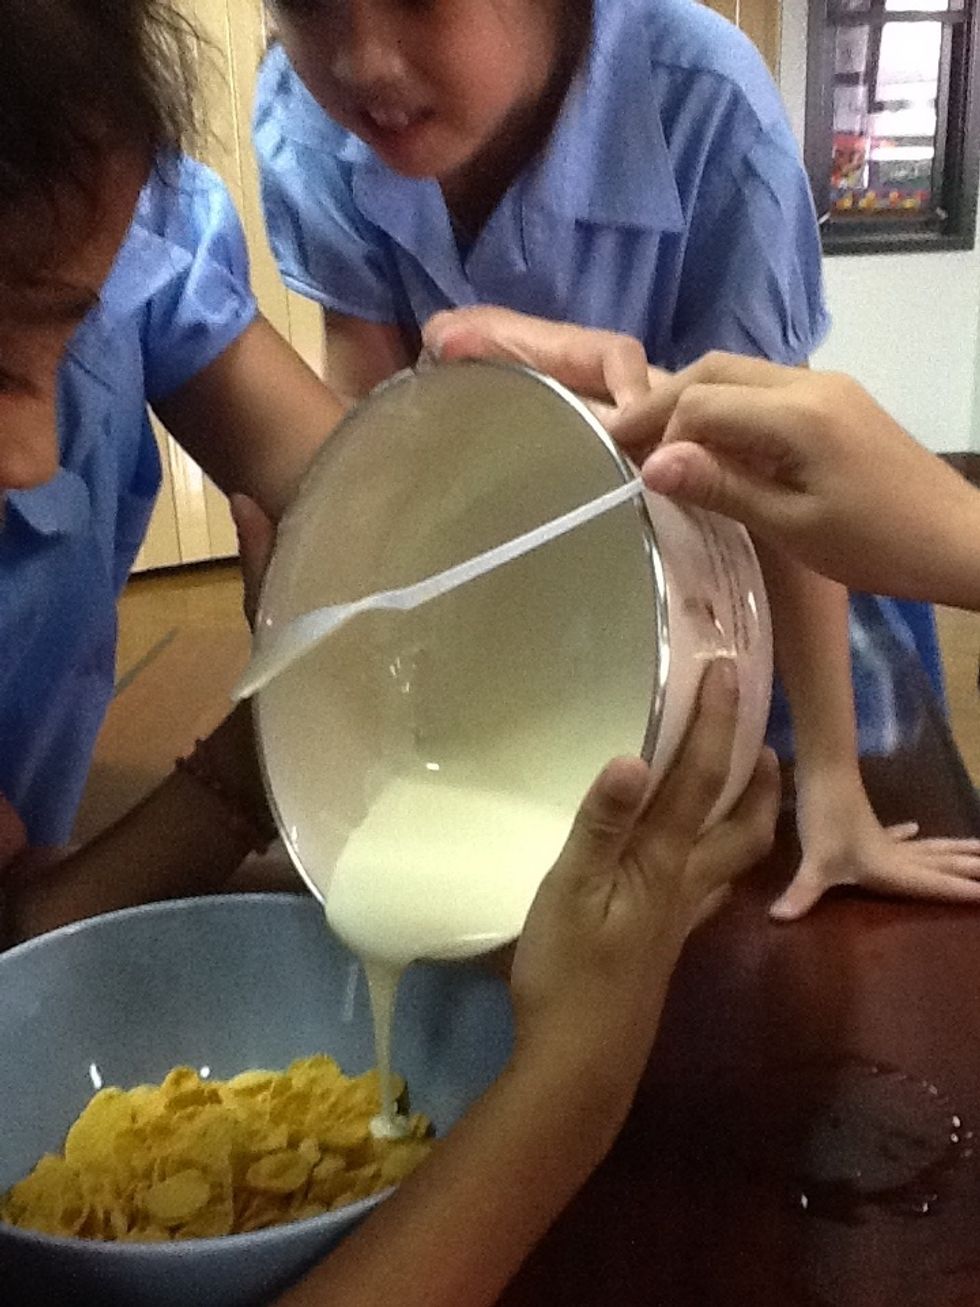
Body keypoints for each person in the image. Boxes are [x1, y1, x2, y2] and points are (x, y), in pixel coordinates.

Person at [252, 0, 962, 921]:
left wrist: (834, 783)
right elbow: (372, 434)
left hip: (764, 576)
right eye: (307, 5)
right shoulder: (312, 124)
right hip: (522, 600)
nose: (364, 61)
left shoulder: (706, 108)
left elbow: (773, 461)